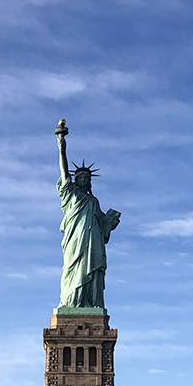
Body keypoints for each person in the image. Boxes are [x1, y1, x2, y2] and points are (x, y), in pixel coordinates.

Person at [55, 121, 120, 308]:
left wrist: (110, 222)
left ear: (89, 182)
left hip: (93, 241)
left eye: (86, 178)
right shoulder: (70, 195)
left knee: (92, 269)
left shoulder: (94, 201)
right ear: (75, 180)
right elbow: (64, 172)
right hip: (75, 240)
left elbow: (104, 225)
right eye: (80, 177)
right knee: (73, 269)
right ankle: (71, 302)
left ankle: (90, 302)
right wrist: (61, 147)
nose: (83, 179)